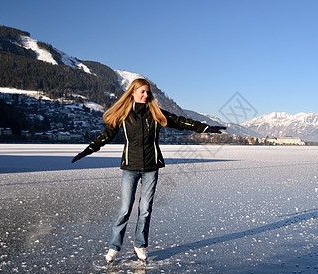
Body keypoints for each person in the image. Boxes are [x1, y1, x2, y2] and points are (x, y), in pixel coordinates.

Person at [71, 78, 226, 262]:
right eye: (142, 92)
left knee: (145, 210)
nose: (146, 95)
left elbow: (182, 122)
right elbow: (106, 136)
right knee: (125, 209)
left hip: (151, 167)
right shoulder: (124, 114)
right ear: (133, 92)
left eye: (148, 92)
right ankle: (114, 247)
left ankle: (140, 245)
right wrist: (88, 150)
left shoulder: (156, 113)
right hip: (130, 167)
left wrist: (207, 128)